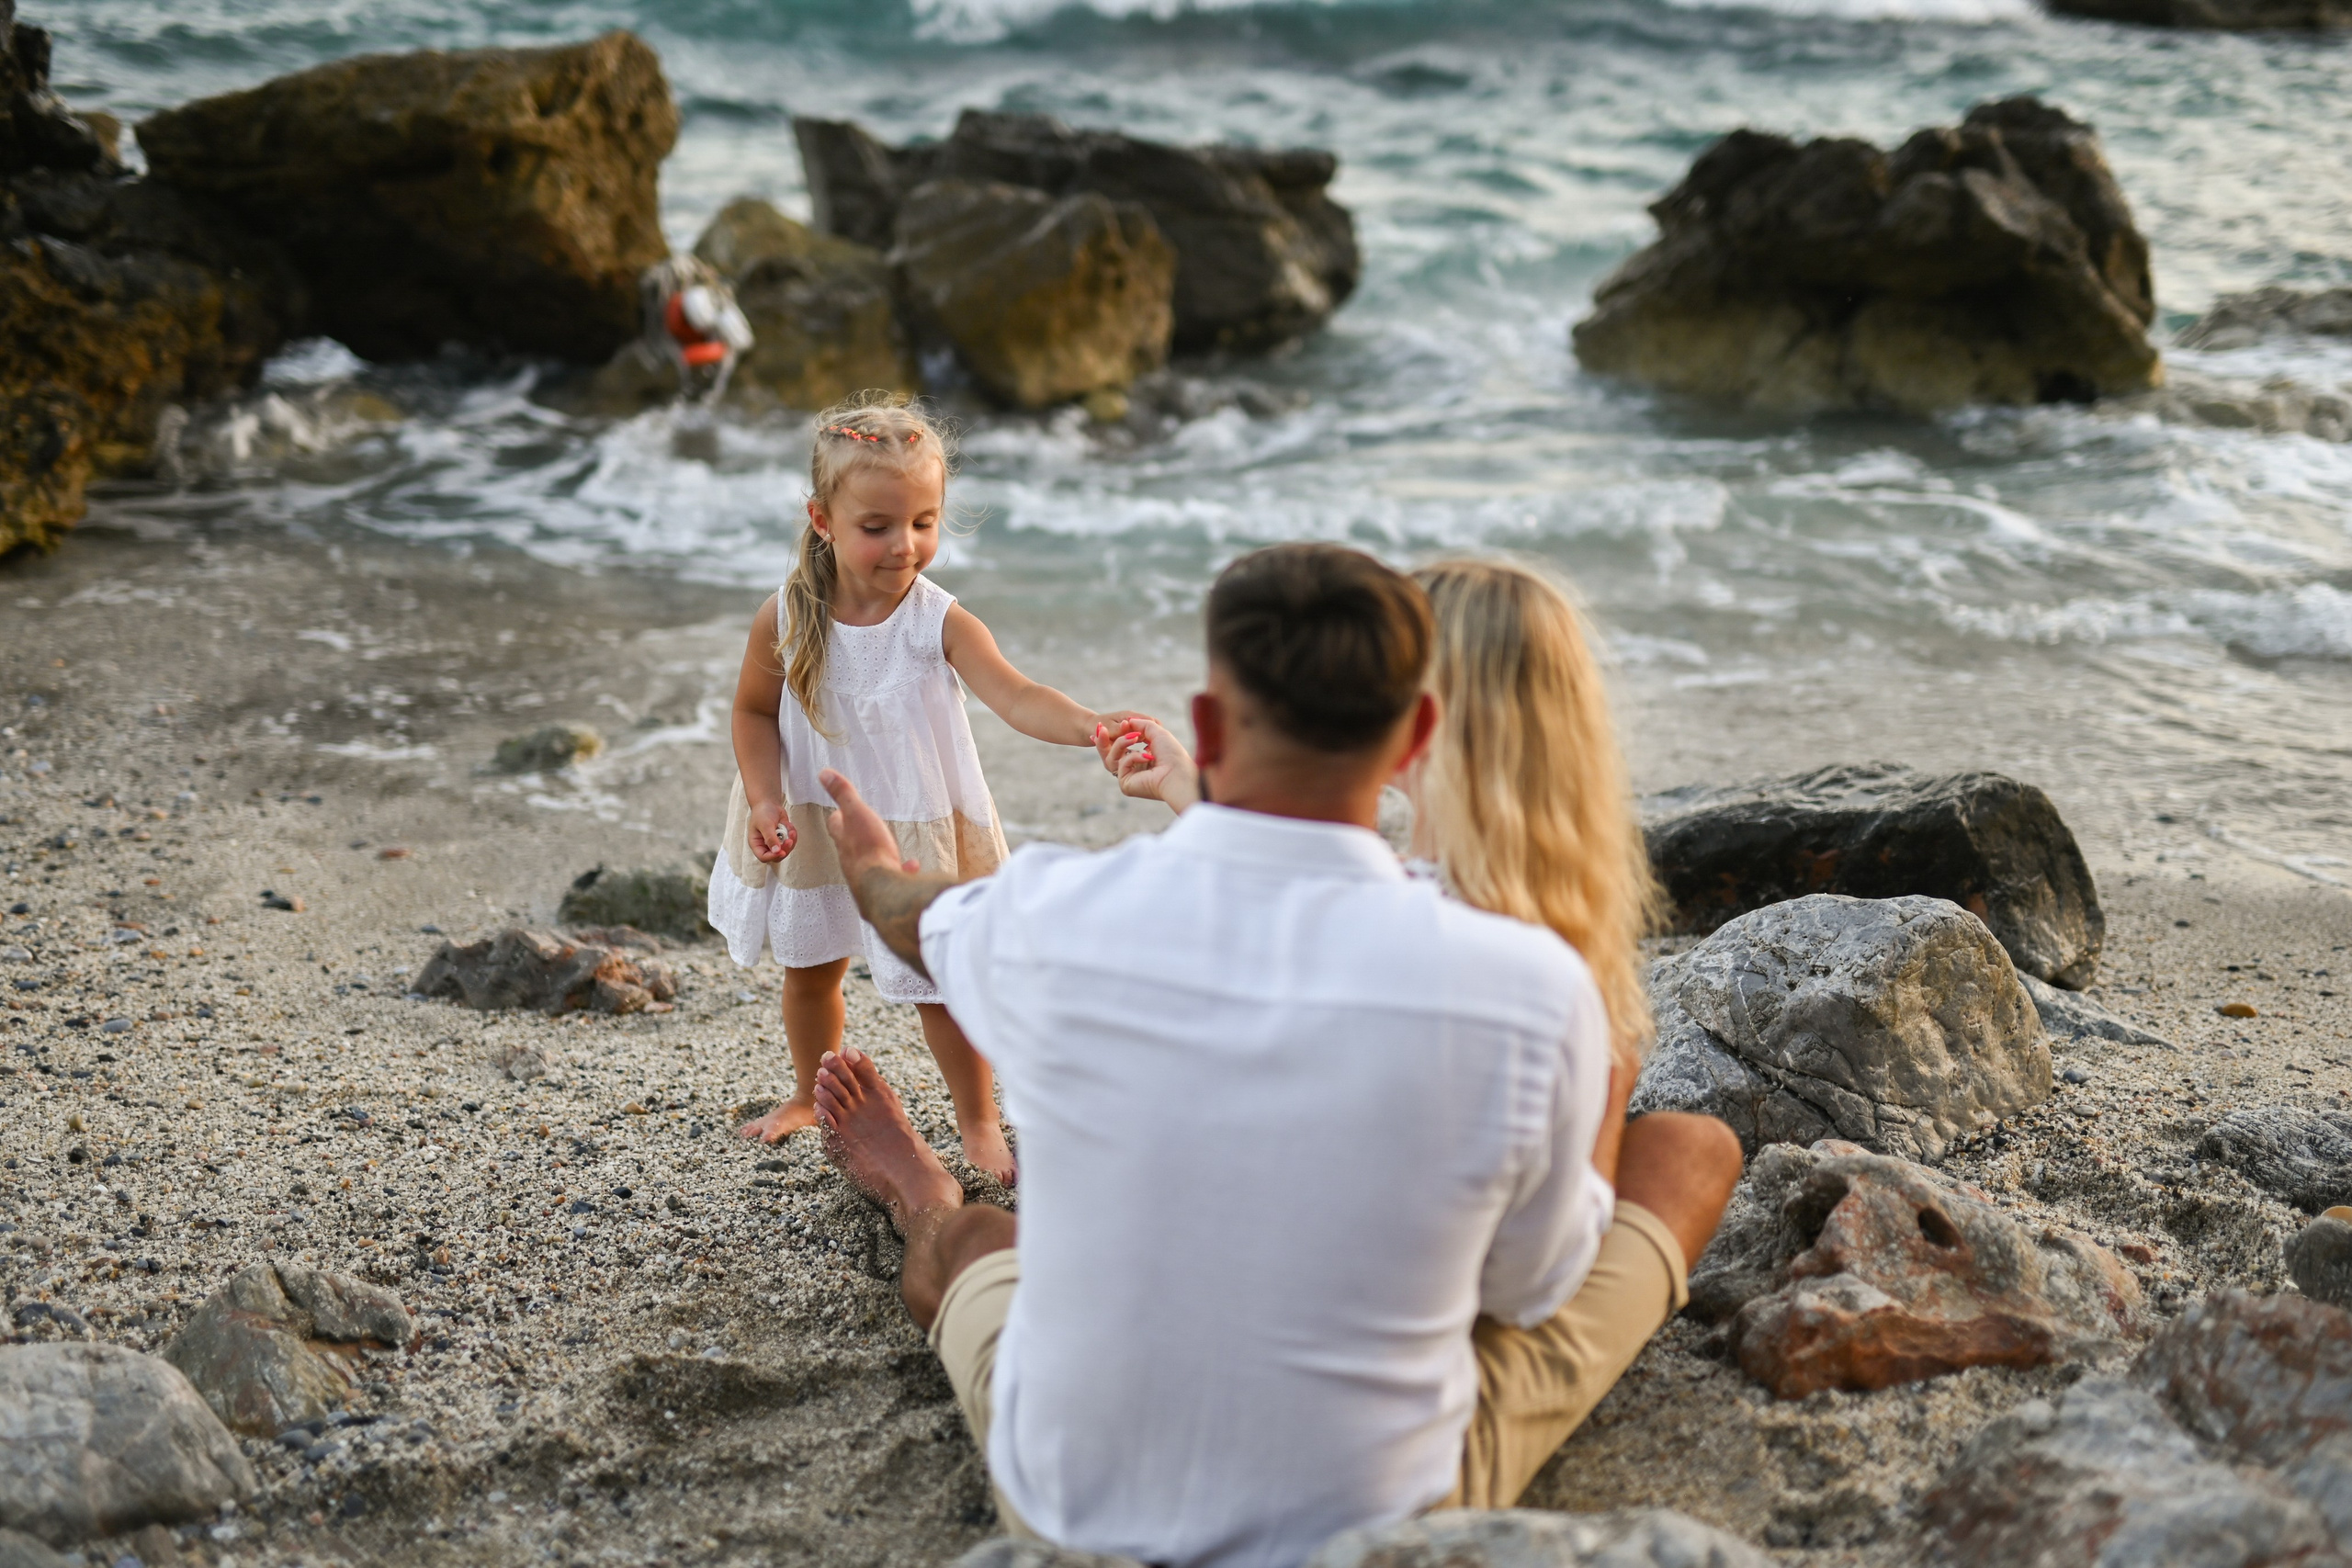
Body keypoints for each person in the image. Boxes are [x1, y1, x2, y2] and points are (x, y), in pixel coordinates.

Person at [804, 543, 1744, 1568]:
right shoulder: (1530, 984)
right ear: (1412, 738)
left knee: (971, 1242)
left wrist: (868, 866)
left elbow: (907, 917)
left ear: (1205, 729)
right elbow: (1526, 1294)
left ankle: (922, 1201)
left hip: (1071, 1507)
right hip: (1376, 1528)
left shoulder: (1045, 913)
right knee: (1687, 1153)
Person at [707, 393, 1145, 1185]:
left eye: (924, 522)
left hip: (917, 829)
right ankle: (811, 1094)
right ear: (822, 518)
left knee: (937, 981)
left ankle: (978, 1119)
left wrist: (1088, 724)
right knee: (812, 969)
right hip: (816, 818)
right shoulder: (787, 617)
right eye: (877, 526)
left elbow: (1014, 695)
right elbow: (750, 712)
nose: (905, 545)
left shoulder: (937, 620)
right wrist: (766, 798)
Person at [1102, 555, 1657, 1082]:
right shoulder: (1549, 914)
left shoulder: (1384, 907)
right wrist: (1186, 783)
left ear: (1424, 713)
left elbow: (1295, 885)